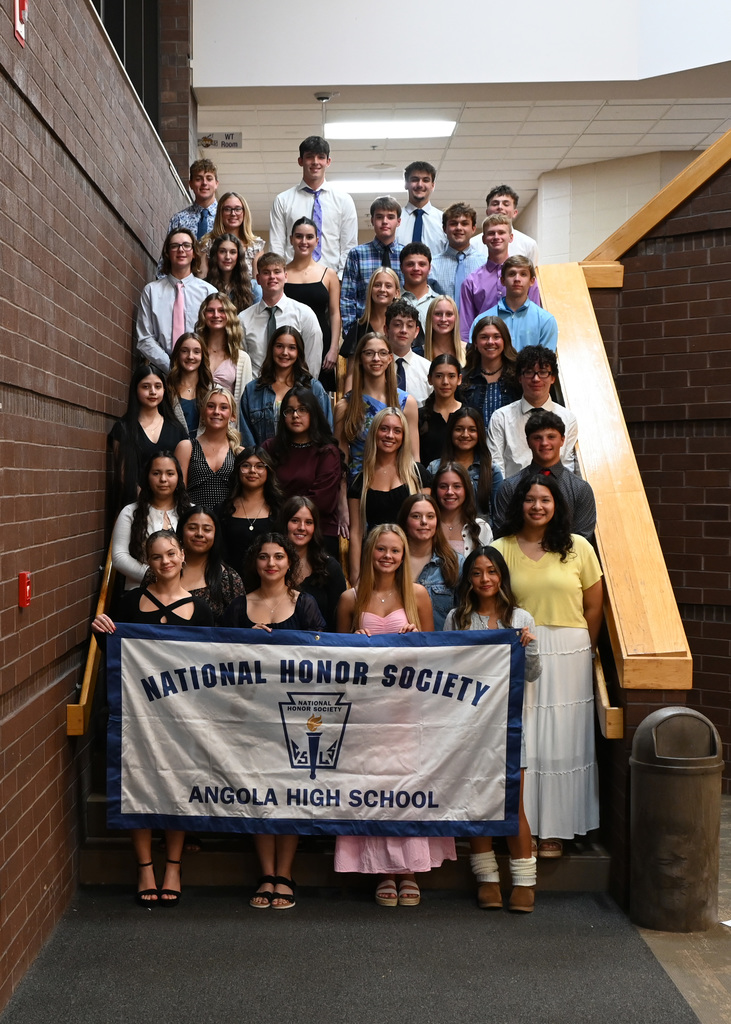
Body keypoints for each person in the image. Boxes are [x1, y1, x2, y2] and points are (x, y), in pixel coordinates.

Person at [92, 529, 214, 906]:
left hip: (183, 718)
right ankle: (145, 866)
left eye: (171, 554)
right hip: (139, 717)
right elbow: (116, 655)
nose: (166, 562)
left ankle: (173, 866)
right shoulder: (128, 604)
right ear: (149, 561)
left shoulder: (203, 609)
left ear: (182, 556)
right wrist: (102, 632)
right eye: (157, 556)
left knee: (177, 790)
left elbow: (213, 665)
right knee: (140, 788)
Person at [335, 524, 454, 906]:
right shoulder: (350, 598)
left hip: (406, 708)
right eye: (381, 550)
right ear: (370, 551)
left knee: (406, 784)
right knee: (374, 784)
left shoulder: (417, 594)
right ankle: (382, 869)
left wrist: (413, 637)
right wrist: (354, 645)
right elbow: (335, 660)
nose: (388, 557)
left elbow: (432, 657)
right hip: (366, 711)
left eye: (395, 551)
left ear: (404, 556)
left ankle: (409, 870)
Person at [492, 473, 603, 856]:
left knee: (563, 737)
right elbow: (490, 597)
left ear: (557, 505)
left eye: (545, 500)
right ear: (518, 503)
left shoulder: (579, 547)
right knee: (527, 739)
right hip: (522, 648)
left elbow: (593, 605)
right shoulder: (500, 548)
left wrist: (587, 650)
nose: (537, 506)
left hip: (570, 650)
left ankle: (558, 826)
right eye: (530, 499)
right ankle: (526, 828)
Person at [221, 532, 325, 911]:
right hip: (253, 713)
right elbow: (221, 662)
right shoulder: (238, 607)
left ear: (289, 563)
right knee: (261, 792)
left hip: (299, 711)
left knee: (292, 792)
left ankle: (285, 873)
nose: (271, 563)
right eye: (264, 557)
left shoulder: (306, 603)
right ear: (255, 563)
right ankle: (267, 873)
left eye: (279, 557)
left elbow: (324, 654)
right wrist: (244, 642)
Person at [444, 546, 541, 911]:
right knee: (477, 801)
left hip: (508, 725)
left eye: (492, 572)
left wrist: (527, 648)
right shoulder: (457, 618)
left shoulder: (520, 616)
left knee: (512, 803)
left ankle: (525, 880)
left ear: (502, 575)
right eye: (477, 573)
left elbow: (532, 673)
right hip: (469, 725)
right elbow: (446, 670)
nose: (485, 579)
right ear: (468, 579)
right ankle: (487, 877)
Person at [347, 407, 429, 585]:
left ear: (404, 436)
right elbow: (356, 532)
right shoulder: (359, 482)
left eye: (397, 430)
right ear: (375, 432)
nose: (390, 435)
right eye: (384, 429)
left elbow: (429, 524)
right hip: (376, 562)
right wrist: (355, 577)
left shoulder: (418, 474)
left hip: (413, 563)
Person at [263, 385, 345, 557]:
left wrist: (284, 510)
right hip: (278, 531)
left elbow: (323, 501)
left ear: (313, 413)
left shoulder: (327, 451)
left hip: (318, 532)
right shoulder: (270, 448)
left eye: (302, 410)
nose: (295, 415)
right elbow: (262, 492)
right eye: (289, 411)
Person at [495, 410, 597, 538]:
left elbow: (583, 540)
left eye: (551, 437)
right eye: (537, 438)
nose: (544, 443)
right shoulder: (509, 487)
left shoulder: (580, 489)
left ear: (562, 440)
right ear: (528, 441)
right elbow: (503, 536)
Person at [333, 332, 419, 482]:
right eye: (369, 353)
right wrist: (342, 499)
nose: (376, 359)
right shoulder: (345, 406)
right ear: (360, 358)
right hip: (357, 487)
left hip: (397, 485)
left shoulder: (406, 403)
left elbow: (413, 457)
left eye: (382, 353)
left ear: (390, 358)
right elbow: (340, 460)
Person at [269, 135, 358, 276]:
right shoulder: (283, 200)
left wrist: (341, 279)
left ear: (328, 161)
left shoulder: (344, 200)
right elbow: (277, 246)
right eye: (310, 157)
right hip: (292, 279)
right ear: (300, 161)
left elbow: (348, 246)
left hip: (331, 279)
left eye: (321, 157)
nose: (315, 162)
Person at [487, 345, 578, 479]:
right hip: (512, 495)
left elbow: (567, 468)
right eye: (529, 372)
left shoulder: (568, 418)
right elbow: (496, 468)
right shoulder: (501, 417)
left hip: (555, 496)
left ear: (553, 378)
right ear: (519, 377)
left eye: (543, 372)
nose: (536, 379)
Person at [109, 364, 187, 510]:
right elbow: (123, 474)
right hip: (134, 506)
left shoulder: (177, 430)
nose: (152, 392)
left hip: (170, 507)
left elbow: (182, 475)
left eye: (158, 386)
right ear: (135, 390)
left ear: (164, 389)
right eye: (145, 387)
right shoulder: (123, 428)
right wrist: (146, 501)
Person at [137, 228, 217, 371]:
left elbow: (216, 336)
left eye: (186, 245)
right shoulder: (152, 291)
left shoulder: (208, 292)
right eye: (175, 246)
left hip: (200, 372)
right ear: (167, 253)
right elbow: (145, 338)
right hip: (161, 373)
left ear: (194, 253)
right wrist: (171, 366)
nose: (181, 250)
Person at [239, 326, 332, 447]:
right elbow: (246, 438)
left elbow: (325, 432)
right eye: (279, 346)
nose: (285, 352)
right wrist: (258, 462)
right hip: (263, 462)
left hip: (305, 462)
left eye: (292, 348)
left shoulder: (314, 388)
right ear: (271, 349)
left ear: (299, 352)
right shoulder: (252, 390)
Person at [111, 452, 190, 589]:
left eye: (170, 473)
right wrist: (153, 575)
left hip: (185, 590)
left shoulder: (191, 512)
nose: (163, 479)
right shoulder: (130, 512)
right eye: (156, 473)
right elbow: (119, 556)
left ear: (178, 478)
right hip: (140, 591)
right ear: (147, 477)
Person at [238, 253, 323, 379]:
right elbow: (242, 365)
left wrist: (303, 391)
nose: (272, 277)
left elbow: (312, 361)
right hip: (257, 390)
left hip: (294, 391)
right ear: (258, 278)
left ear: (286, 276)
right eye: (266, 272)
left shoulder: (304, 315)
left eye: (277, 272)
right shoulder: (243, 319)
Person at [459, 215, 540, 344]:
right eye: (491, 233)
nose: (496, 237)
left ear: (511, 237)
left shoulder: (526, 279)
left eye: (501, 232)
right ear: (484, 239)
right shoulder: (471, 282)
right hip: (486, 351)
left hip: (522, 349)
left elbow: (536, 319)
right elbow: (465, 329)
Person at [283, 217, 341, 391]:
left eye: (309, 237)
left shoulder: (329, 275)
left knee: (318, 396)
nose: (304, 241)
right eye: (299, 236)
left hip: (322, 344)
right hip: (288, 343)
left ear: (317, 241)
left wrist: (333, 349)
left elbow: (334, 314)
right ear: (291, 239)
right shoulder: (281, 273)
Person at [278, 496, 346, 630]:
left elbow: (338, 622)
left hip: (320, 646)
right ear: (284, 523)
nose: (302, 528)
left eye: (308, 522)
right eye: (295, 521)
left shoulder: (330, 567)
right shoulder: (270, 564)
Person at [340, 196, 404, 337]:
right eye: (379, 217)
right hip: (364, 331)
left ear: (398, 222)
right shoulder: (357, 254)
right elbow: (347, 298)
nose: (385, 221)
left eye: (390, 217)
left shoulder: (405, 255)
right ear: (372, 220)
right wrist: (351, 334)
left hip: (399, 333)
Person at [428, 407, 502, 525]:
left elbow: (498, 515)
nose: (465, 435)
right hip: (442, 534)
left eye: (472, 430)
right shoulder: (434, 468)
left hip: (481, 537)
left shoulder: (492, 471)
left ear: (480, 433)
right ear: (451, 432)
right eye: (459, 429)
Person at [217, 447, 283, 580]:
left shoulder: (279, 509)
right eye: (246, 466)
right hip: (230, 583)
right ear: (237, 470)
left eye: (259, 466)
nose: (252, 471)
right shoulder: (223, 509)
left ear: (268, 471)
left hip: (270, 582)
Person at [398, 493, 461, 630]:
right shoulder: (392, 561)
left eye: (430, 516)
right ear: (405, 521)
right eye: (416, 516)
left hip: (442, 647)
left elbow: (465, 615)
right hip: (398, 646)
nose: (424, 522)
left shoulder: (456, 562)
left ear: (437, 521)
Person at [176, 505, 245, 623]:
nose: (199, 534)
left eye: (207, 529)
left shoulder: (228, 577)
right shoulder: (162, 569)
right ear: (181, 531)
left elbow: (240, 625)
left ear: (215, 535)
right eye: (192, 528)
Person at [175, 386, 241, 506]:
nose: (216, 411)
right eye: (211, 406)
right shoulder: (187, 447)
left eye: (224, 407)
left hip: (228, 521)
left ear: (233, 416)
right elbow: (179, 493)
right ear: (203, 412)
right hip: (194, 520)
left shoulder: (238, 452)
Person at [476, 256, 557, 352]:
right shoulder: (481, 320)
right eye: (511, 274)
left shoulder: (546, 321)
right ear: (502, 280)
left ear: (532, 281)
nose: (517, 279)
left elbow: (545, 363)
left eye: (523, 274)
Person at [339, 267, 401, 392]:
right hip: (365, 396)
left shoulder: (403, 327)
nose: (382, 289)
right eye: (377, 285)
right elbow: (352, 374)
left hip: (401, 391)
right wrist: (348, 404)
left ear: (397, 293)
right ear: (370, 290)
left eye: (388, 286)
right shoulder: (358, 328)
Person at [461, 315, 521, 435]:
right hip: (475, 448)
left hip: (511, 447)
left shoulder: (519, 377)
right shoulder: (464, 378)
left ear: (505, 341)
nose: (490, 342)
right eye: (484, 337)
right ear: (476, 343)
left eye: (496, 337)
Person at [195, 292, 253, 408]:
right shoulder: (195, 353)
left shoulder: (242, 358)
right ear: (203, 315)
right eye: (210, 310)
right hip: (194, 419)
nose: (216, 315)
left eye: (222, 310)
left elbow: (244, 403)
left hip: (226, 422)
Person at [199, 191, 265, 280]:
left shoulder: (255, 246)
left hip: (246, 293)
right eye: (227, 209)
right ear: (220, 213)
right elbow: (201, 282)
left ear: (244, 212)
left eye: (238, 209)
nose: (233, 213)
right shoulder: (207, 244)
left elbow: (258, 286)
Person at [430, 203, 484, 309]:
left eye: (464, 224)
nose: (459, 228)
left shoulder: (484, 264)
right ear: (444, 229)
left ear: (473, 228)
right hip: (443, 323)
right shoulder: (432, 265)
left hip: (477, 324)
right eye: (453, 224)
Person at [432, 461, 492, 555]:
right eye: (443, 486)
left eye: (457, 486)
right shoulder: (427, 525)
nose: (450, 492)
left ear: (466, 490)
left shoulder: (481, 528)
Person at [471, 185, 539, 264]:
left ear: (515, 212)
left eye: (506, 204)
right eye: (495, 204)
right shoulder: (473, 244)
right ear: (487, 212)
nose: (500, 207)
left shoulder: (529, 245)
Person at [418, 354, 464, 467]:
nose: (445, 382)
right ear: (430, 379)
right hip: (427, 481)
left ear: (459, 379)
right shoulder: (419, 416)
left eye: (451, 376)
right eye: (439, 376)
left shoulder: (468, 414)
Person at [167, 332, 214, 439]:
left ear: (203, 356)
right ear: (177, 354)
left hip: (204, 452)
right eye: (184, 351)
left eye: (196, 352)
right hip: (172, 452)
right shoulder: (167, 389)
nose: (190, 356)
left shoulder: (212, 390)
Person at [385, 299, 432, 405]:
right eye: (397, 324)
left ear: (416, 332)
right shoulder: (377, 365)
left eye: (410, 326)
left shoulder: (428, 369)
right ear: (386, 329)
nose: (404, 330)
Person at [395, 160, 446, 253]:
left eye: (426, 180)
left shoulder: (444, 220)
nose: (420, 185)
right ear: (406, 184)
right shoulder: (394, 220)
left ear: (433, 185)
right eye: (415, 179)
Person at [165, 158, 219, 243]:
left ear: (216, 184)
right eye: (198, 179)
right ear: (191, 184)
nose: (204, 183)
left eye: (209, 179)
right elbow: (167, 254)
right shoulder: (179, 220)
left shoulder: (226, 217)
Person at [204, 233, 258, 314]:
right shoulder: (204, 287)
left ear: (238, 256)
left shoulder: (253, 288)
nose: (227, 257)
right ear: (215, 255)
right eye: (222, 251)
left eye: (233, 252)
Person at [400, 243, 440, 329]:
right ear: (401, 268)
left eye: (422, 264)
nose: (416, 268)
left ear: (429, 268)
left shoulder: (439, 303)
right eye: (410, 264)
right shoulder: (392, 300)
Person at [423, 295, 465, 364]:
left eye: (449, 314)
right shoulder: (418, 353)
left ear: (456, 318)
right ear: (430, 317)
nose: (443, 319)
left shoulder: (470, 351)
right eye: (438, 314)